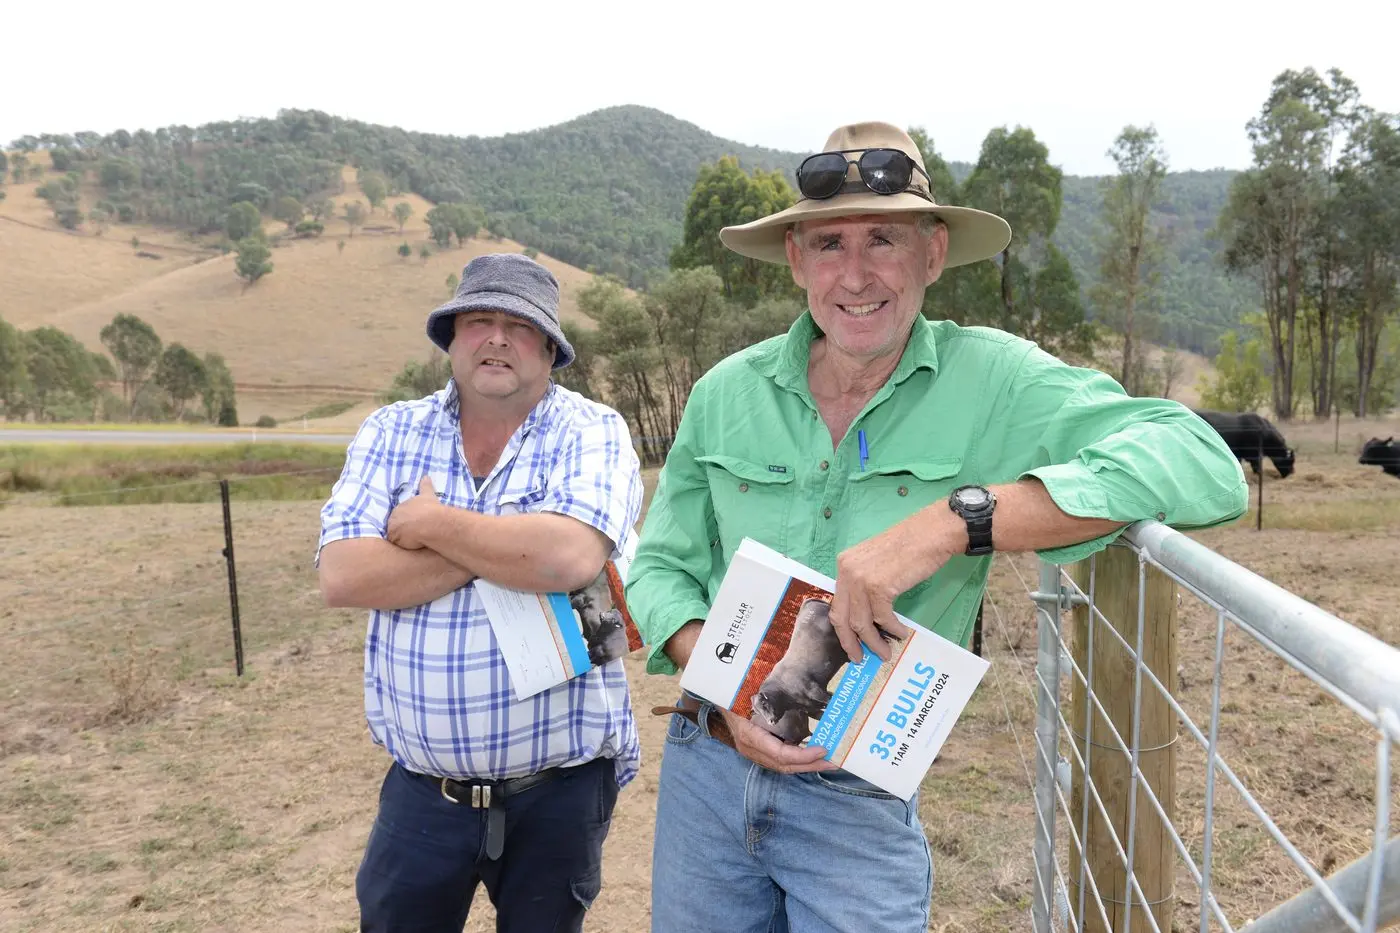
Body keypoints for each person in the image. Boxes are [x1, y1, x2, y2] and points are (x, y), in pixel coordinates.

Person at [625, 121, 1248, 933]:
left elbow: (1201, 461)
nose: (855, 274)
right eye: (828, 243)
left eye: (884, 238)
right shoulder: (723, 393)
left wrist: (959, 520)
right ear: (795, 259)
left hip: (858, 794)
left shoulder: (996, 379)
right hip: (708, 764)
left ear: (933, 253)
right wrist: (728, 685)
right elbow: (660, 570)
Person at [316, 252, 644, 933]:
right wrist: (511, 546)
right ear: (452, 338)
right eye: (479, 320)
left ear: (550, 349)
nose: (497, 338)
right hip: (422, 795)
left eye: (519, 326)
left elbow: (571, 555)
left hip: (561, 789)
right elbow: (344, 574)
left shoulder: (592, 430)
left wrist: (433, 527)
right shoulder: (390, 431)